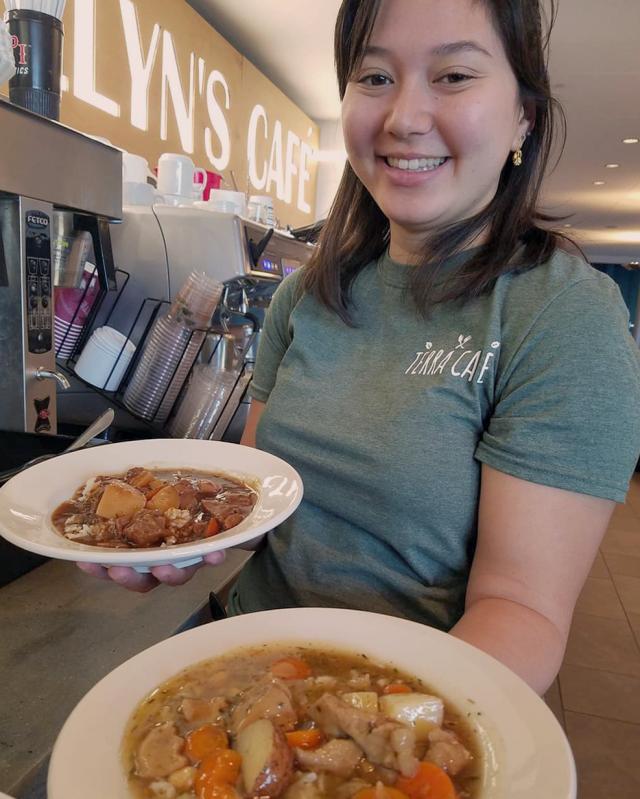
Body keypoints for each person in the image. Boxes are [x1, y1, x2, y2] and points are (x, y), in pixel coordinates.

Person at [80, 0, 640, 696]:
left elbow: (520, 611)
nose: (404, 117)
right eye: (374, 77)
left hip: (406, 708)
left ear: (524, 112)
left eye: (454, 75)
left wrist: (363, 731)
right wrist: (176, 533)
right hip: (236, 661)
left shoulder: (558, 314)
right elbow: (265, 509)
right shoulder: (308, 296)